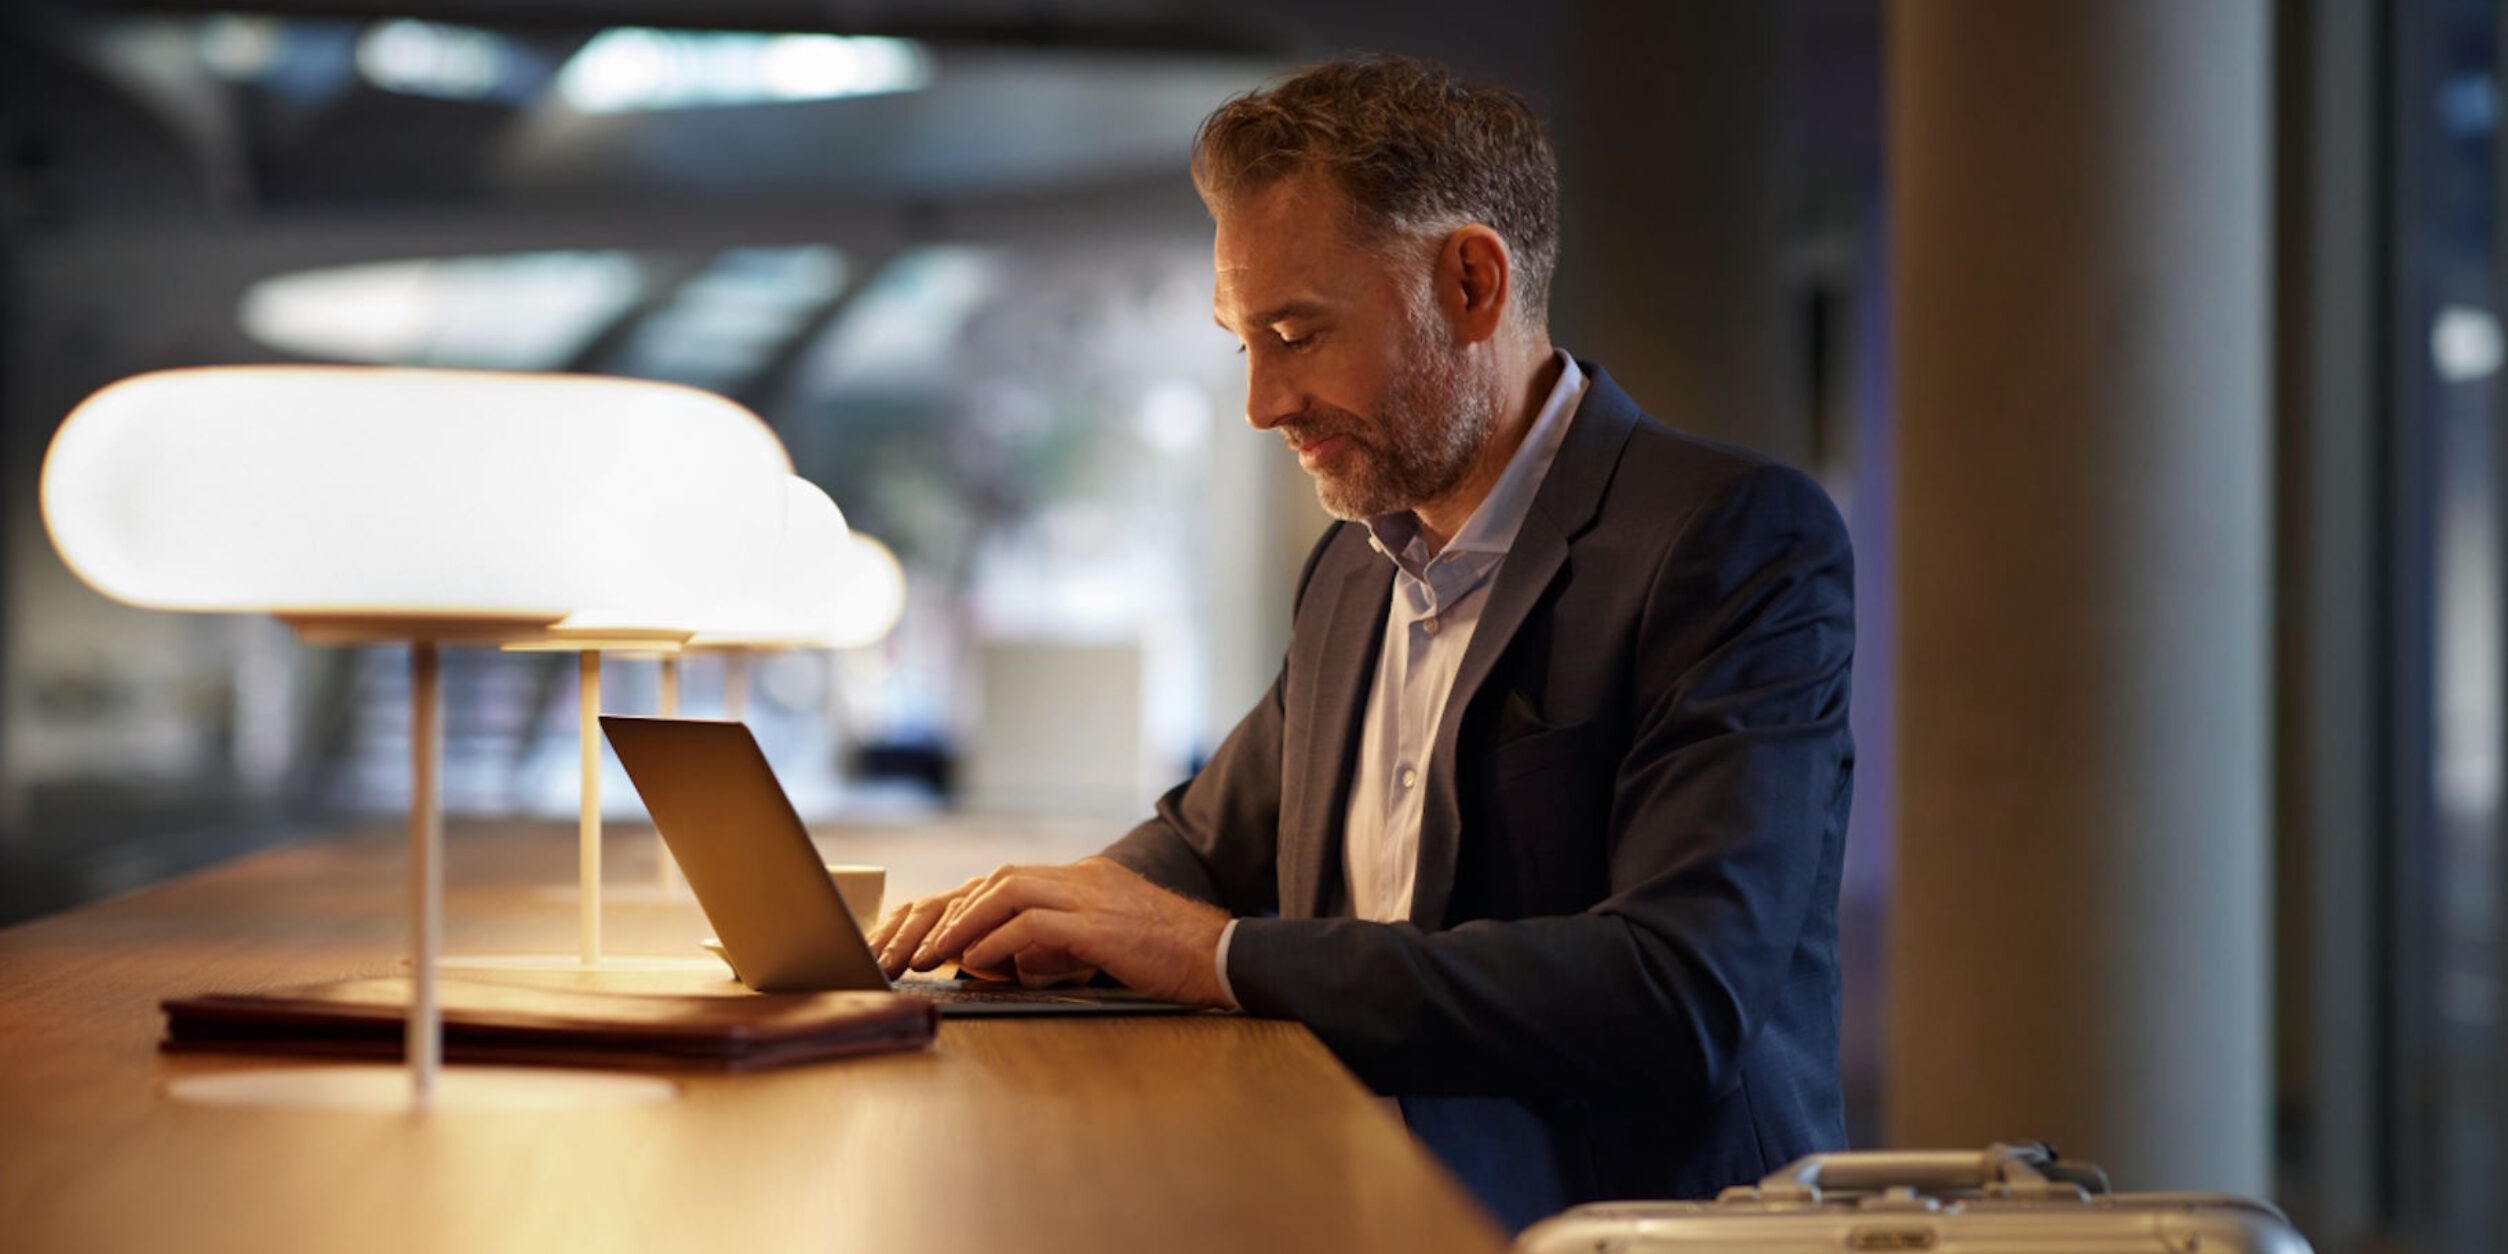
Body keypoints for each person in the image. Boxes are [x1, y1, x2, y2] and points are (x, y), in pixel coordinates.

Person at [869, 53, 1854, 1230]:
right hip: (1349, 1198)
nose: (1261, 403)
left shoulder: (1730, 538)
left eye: (1296, 333)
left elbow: (1677, 991)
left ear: (1473, 284)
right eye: (1245, 342)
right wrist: (1024, 916)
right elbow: (1206, 840)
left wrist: (1220, 956)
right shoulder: (1353, 567)